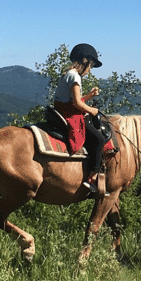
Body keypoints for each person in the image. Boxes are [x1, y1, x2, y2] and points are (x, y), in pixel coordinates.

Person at [53, 43, 105, 193]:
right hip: (69, 114)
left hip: (63, 109)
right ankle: (92, 177)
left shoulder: (68, 73)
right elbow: (76, 103)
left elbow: (74, 99)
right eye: (91, 65)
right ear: (84, 61)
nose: (90, 69)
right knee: (99, 139)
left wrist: (89, 96)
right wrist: (93, 111)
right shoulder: (75, 76)